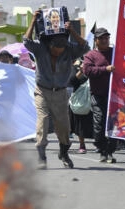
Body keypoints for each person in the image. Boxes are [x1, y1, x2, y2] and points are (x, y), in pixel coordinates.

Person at [24, 9, 89, 169]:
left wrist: (72, 31)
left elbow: (85, 46)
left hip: (60, 93)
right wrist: (33, 21)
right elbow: (26, 41)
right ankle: (42, 155)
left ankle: (64, 152)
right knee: (43, 121)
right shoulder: (41, 49)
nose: (57, 54)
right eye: (55, 51)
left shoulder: (69, 49)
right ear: (50, 45)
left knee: (63, 126)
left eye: (61, 51)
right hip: (42, 91)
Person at [82, 27, 117, 163]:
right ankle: (102, 149)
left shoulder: (115, 53)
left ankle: (110, 151)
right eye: (101, 38)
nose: (104, 40)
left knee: (113, 124)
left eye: (106, 38)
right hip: (98, 94)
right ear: (96, 40)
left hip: (114, 95)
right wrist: (105, 69)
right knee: (99, 122)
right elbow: (87, 70)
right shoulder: (91, 55)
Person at [68, 58, 93, 154]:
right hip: (80, 101)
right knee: (80, 124)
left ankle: (100, 145)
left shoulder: (94, 68)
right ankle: (82, 145)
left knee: (97, 123)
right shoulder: (76, 68)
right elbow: (72, 81)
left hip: (94, 98)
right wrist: (81, 70)